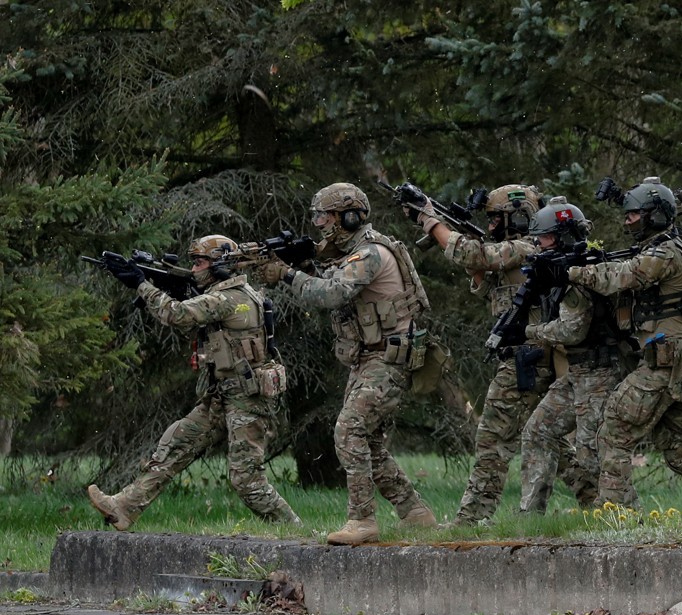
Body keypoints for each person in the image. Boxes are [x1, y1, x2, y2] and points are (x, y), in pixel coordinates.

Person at [258, 182, 436, 545]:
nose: (320, 223)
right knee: (367, 443)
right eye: (318, 215)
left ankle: (362, 521)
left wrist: (289, 274)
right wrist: (304, 265)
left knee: (349, 431)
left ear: (349, 216)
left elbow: (331, 293)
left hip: (388, 358)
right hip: (371, 358)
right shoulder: (352, 253)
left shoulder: (369, 253)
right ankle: (415, 513)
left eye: (326, 215)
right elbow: (333, 282)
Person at [565, 177, 682, 509]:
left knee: (614, 429)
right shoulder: (663, 250)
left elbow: (619, 278)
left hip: (665, 359)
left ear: (655, 215)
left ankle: (614, 514)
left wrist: (573, 272)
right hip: (674, 359)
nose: (627, 221)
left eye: (634, 214)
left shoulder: (666, 253)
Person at [87, 234, 301, 530]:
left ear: (221, 266)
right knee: (175, 444)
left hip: (247, 398)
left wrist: (141, 284)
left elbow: (177, 314)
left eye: (200, 262)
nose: (194, 268)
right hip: (222, 395)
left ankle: (295, 530)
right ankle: (123, 507)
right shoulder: (230, 291)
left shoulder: (230, 297)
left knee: (246, 481)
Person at [409, 185, 578, 525]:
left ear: (518, 216)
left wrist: (431, 221)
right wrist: (479, 276)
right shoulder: (522, 251)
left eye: (495, 219)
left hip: (526, 359)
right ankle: (604, 501)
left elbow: (475, 255)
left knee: (492, 440)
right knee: (551, 443)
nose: (489, 227)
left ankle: (471, 519)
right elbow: (498, 290)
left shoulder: (529, 246)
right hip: (528, 356)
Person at [517, 197, 618, 513]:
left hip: (599, 372)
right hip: (577, 373)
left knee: (592, 455)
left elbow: (572, 331)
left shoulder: (579, 272)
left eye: (544, 237)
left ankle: (622, 518)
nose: (538, 243)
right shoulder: (559, 270)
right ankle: (530, 519)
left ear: (562, 237)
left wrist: (530, 332)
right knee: (537, 432)